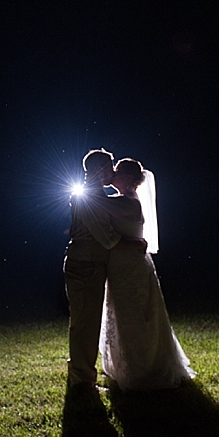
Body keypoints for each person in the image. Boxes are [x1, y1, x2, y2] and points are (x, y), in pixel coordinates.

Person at [99, 158, 196, 391]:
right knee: (123, 314)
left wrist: (96, 180)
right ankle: (125, 366)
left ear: (131, 180)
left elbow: (95, 203)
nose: (113, 173)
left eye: (118, 171)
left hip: (130, 268)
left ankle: (140, 369)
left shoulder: (128, 203)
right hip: (123, 265)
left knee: (134, 316)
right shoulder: (124, 201)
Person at [62, 148, 145, 389]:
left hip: (90, 263)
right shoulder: (90, 196)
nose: (114, 171)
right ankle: (82, 379)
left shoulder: (95, 194)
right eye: (110, 167)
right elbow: (106, 238)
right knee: (85, 323)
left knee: (86, 322)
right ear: (100, 170)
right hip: (85, 264)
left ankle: (81, 374)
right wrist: (135, 244)